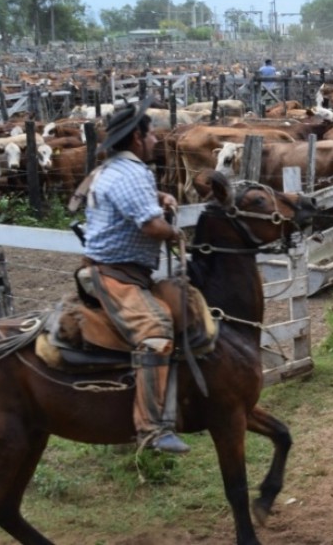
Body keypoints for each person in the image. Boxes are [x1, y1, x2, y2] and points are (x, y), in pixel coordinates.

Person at [80, 96, 189, 454]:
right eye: (151, 133)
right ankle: (151, 428)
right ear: (137, 138)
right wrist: (174, 231)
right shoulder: (131, 172)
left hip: (115, 269)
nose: (156, 139)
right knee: (156, 331)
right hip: (116, 275)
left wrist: (158, 196)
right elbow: (152, 227)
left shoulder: (112, 170)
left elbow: (131, 200)